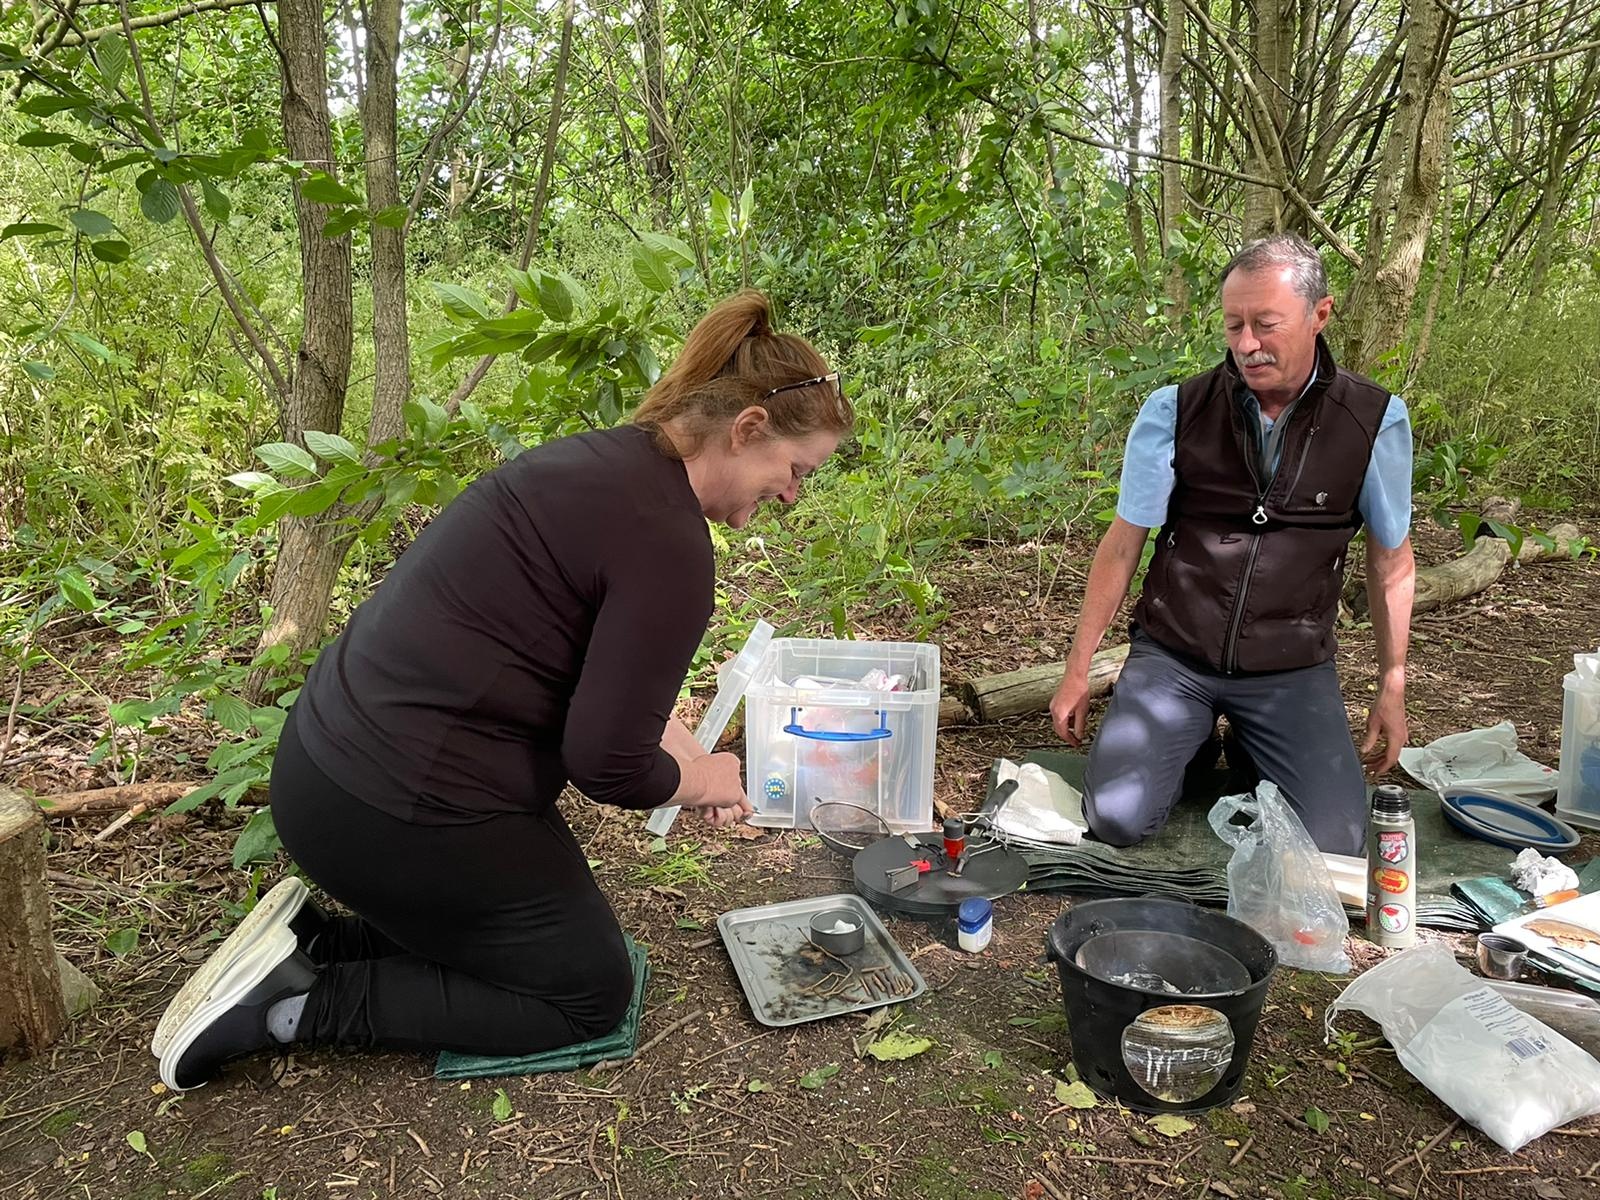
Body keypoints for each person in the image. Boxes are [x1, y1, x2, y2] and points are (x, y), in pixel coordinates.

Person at [152, 291, 852, 1090]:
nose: (792, 495)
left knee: (541, 940)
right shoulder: (670, 544)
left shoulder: (608, 466)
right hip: (397, 808)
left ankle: (318, 944)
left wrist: (691, 755)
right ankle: (293, 1008)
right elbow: (610, 765)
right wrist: (703, 781)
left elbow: (606, 687)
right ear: (749, 428)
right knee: (587, 993)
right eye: (796, 471)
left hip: (328, 773)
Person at [1050, 234, 1416, 857]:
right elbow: (1123, 544)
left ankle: (1252, 744)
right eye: (1233, 325)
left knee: (1333, 843)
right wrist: (1078, 668)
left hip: (1290, 669)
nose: (1247, 344)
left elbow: (1391, 562)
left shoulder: (1374, 421)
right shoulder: (1175, 411)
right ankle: (1190, 744)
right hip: (1175, 658)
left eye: (1266, 325)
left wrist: (1393, 681)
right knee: (1115, 818)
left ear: (1319, 314)